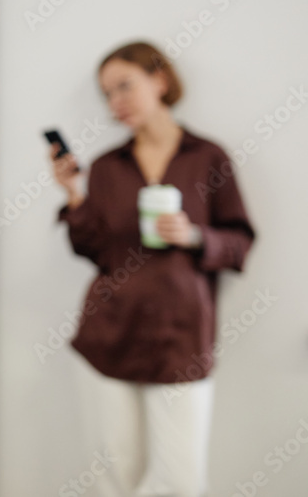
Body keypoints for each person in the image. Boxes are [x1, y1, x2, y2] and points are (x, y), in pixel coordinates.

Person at [52, 41, 254, 497]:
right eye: (107, 94)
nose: (115, 102)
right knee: (114, 479)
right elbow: (95, 250)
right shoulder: (106, 167)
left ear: (159, 80)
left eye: (125, 87)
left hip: (181, 339)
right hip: (109, 335)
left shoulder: (208, 158)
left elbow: (240, 242)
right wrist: (73, 195)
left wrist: (195, 235)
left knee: (180, 482)